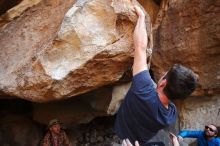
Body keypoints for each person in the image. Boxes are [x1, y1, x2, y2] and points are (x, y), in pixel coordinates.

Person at [114, 4, 198, 146]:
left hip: (120, 128)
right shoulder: (171, 115)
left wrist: (141, 17)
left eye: (166, 74)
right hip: (137, 140)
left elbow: (140, 47)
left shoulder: (143, 87)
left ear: (163, 83)